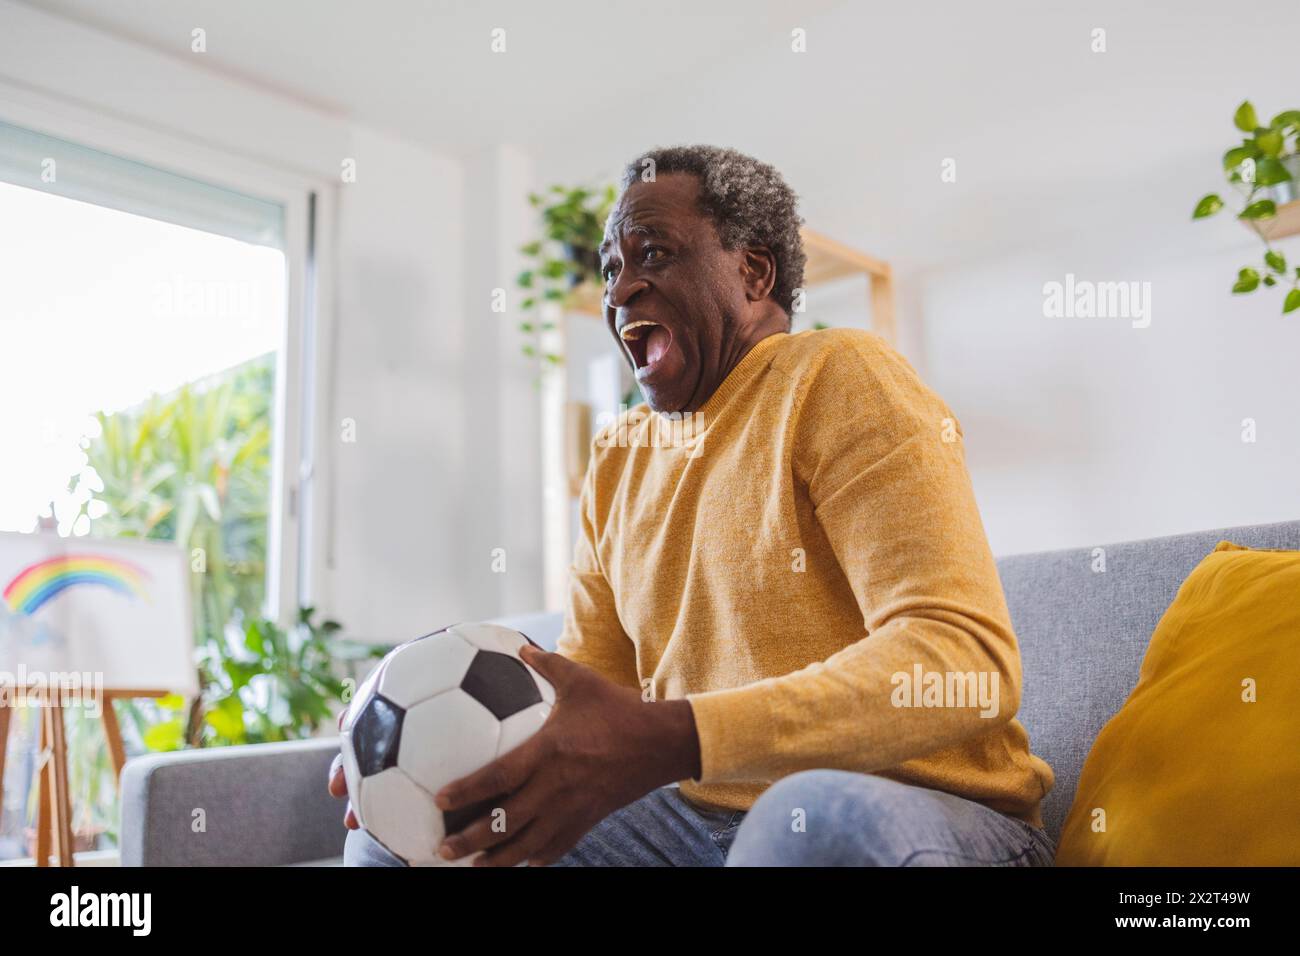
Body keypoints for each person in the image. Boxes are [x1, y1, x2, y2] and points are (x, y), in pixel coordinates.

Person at [331, 144, 1055, 867]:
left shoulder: (839, 377)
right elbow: (587, 698)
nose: (618, 295)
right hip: (694, 822)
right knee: (421, 844)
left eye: (653, 254)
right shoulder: (617, 460)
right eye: (611, 270)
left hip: (929, 818)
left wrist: (684, 734)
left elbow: (967, 660)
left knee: (808, 817)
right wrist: (429, 764)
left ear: (753, 271)